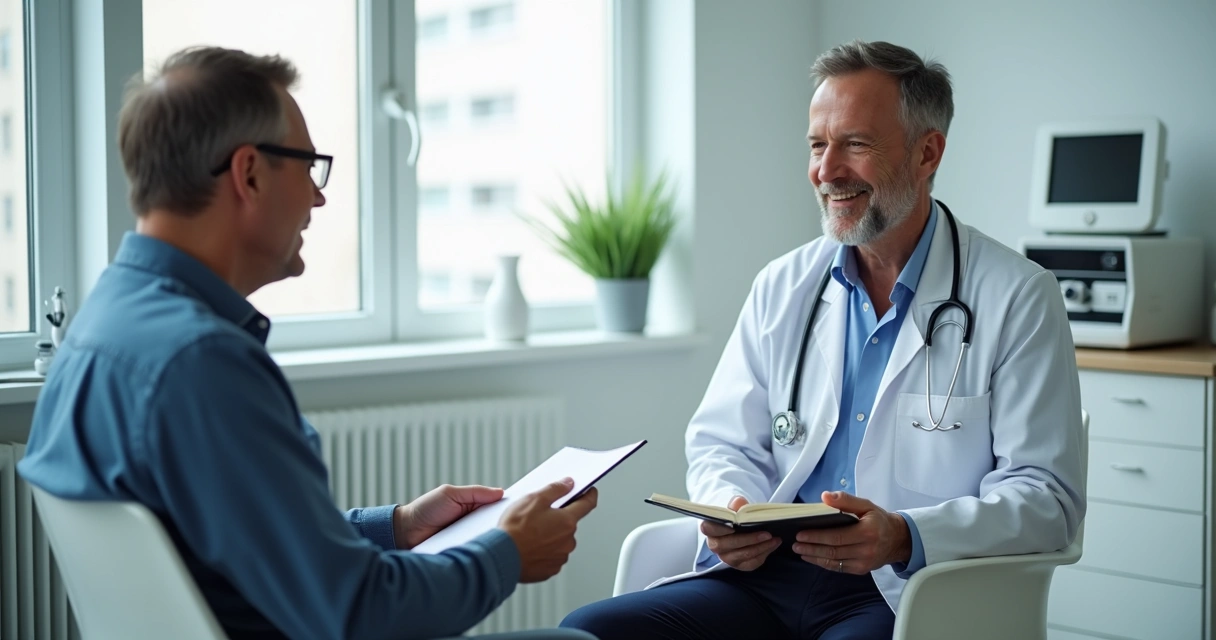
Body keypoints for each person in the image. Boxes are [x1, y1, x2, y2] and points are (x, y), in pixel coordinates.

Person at [18, 46, 598, 640]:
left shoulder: (101, 328)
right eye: (307, 167)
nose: (318, 198)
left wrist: (394, 528)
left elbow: (244, 540)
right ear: (249, 174)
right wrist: (507, 552)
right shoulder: (203, 364)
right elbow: (359, 613)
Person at [561, 39, 1086, 639]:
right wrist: (733, 507)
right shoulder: (784, 284)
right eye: (817, 144)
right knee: (588, 632)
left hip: (904, 591)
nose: (826, 170)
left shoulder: (1017, 295)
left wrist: (905, 534)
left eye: (855, 144)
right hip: (762, 580)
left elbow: (1047, 498)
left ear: (927, 153)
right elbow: (721, 441)